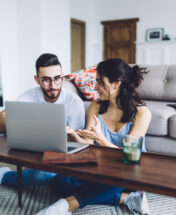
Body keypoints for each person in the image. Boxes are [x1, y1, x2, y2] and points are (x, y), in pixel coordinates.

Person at [35, 58, 152, 215]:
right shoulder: (96, 106)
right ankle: (125, 199)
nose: (95, 87)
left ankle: (68, 204)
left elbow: (129, 156)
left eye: (99, 82)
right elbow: (87, 143)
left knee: (119, 175)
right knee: (60, 181)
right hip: (103, 167)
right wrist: (73, 135)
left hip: (130, 171)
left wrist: (101, 139)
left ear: (116, 83)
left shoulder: (142, 114)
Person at [0, 53, 85, 208]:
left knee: (45, 175)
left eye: (57, 78)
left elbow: (78, 145)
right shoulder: (28, 96)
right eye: (46, 80)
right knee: (0, 136)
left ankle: (5, 176)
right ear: (37, 79)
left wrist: (68, 134)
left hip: (57, 154)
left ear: (62, 76)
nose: (53, 85)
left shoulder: (74, 102)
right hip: (30, 146)